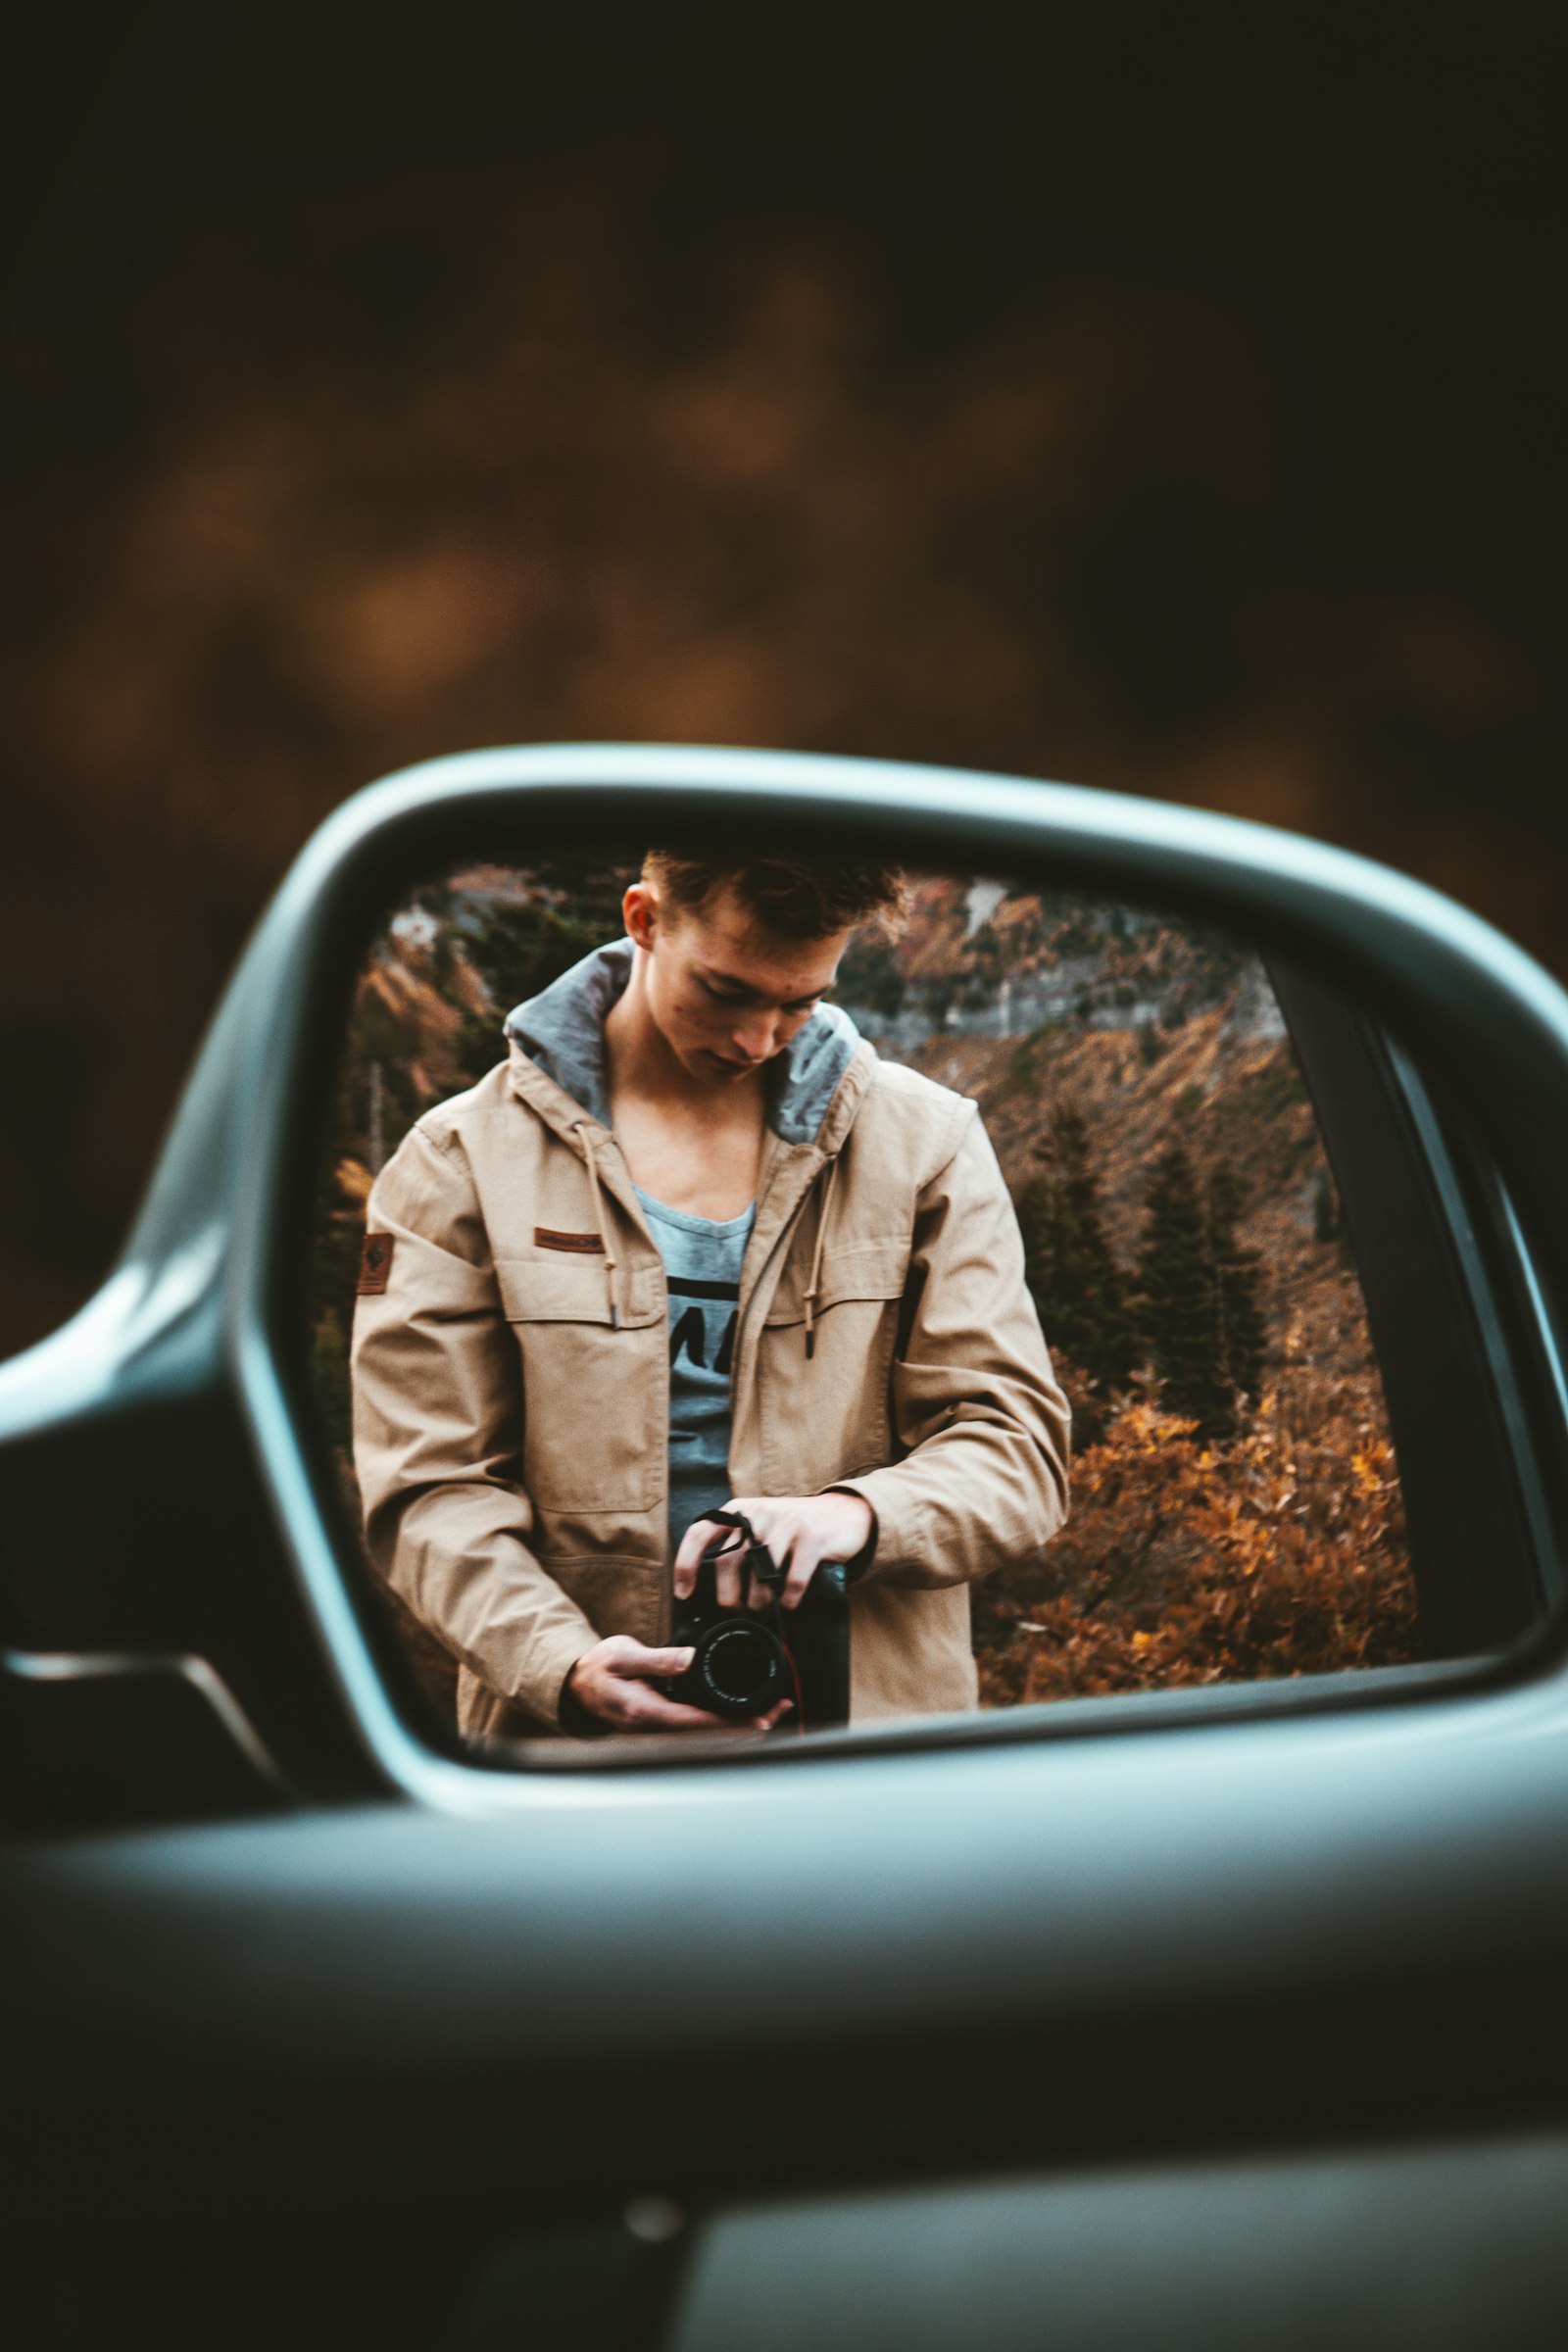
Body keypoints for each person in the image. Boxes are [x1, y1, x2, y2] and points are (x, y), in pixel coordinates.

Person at [350, 852, 1070, 1740]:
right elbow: (432, 1490)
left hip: (870, 1775)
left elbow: (1016, 1448)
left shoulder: (925, 1145)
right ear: (644, 921)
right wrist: (560, 1665)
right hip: (581, 1784)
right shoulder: (458, 1160)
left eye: (799, 1001)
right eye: (727, 991)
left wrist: (856, 1517)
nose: (759, 1039)